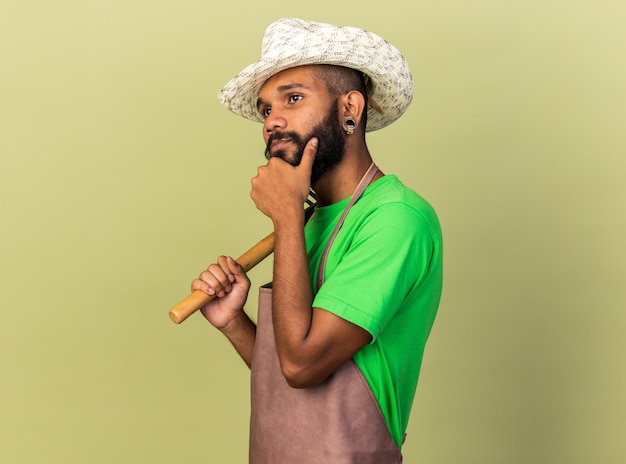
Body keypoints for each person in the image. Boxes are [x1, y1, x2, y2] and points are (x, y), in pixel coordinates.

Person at [191, 18, 443, 463]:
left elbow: (303, 366)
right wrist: (234, 322)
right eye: (266, 109)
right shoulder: (309, 223)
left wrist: (287, 214)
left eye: (293, 97)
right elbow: (292, 386)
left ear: (351, 108)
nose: (273, 121)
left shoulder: (396, 219)